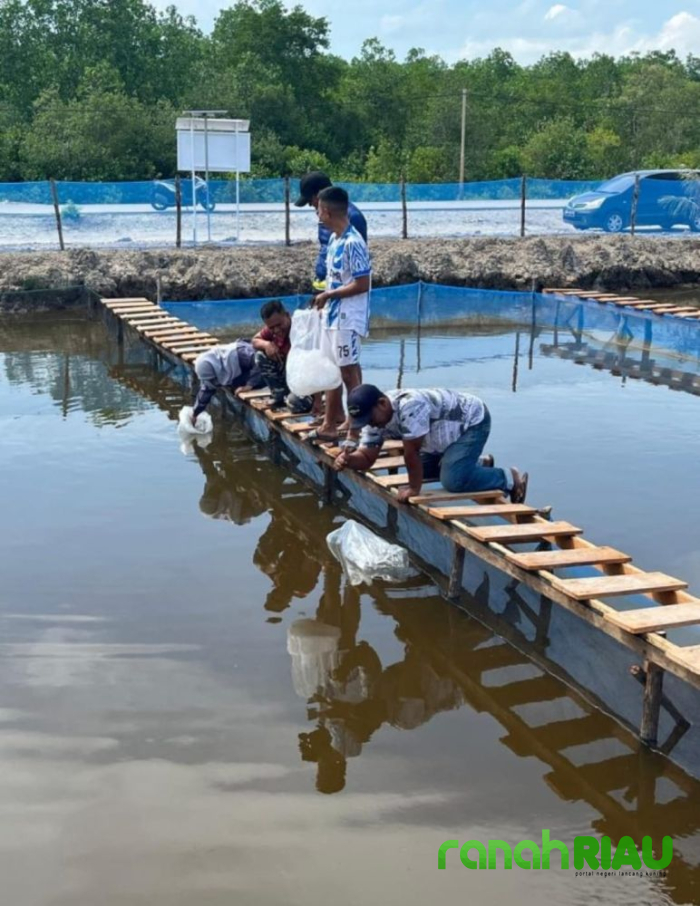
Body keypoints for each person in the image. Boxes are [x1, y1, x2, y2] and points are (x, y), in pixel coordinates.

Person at [332, 384, 529, 504]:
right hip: (439, 438)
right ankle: (476, 465)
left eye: (370, 418)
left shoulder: (409, 407)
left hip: (471, 423)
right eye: (364, 421)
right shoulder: (374, 420)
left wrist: (413, 489)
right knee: (423, 472)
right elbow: (367, 459)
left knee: (453, 481)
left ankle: (509, 479)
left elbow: (411, 453)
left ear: (382, 403)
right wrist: (348, 460)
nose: (370, 423)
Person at [308, 186, 372, 442]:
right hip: (332, 315)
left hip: (348, 317)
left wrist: (329, 295)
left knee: (348, 372)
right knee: (331, 369)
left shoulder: (353, 243)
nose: (317, 215)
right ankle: (331, 422)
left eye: (318, 210)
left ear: (326, 211)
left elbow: (362, 283)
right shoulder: (335, 240)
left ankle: (357, 430)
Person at [294, 171, 367, 290]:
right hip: (326, 284)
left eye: (310, 200)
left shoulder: (353, 218)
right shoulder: (324, 216)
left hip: (342, 291)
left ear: (319, 195)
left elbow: (359, 267)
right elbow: (325, 247)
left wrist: (334, 292)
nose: (310, 205)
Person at [251, 299, 312, 413]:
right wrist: (267, 345)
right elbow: (255, 340)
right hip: (288, 375)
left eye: (279, 325)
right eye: (272, 327)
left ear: (287, 315)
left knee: (294, 403)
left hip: (306, 382)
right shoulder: (272, 330)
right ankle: (279, 395)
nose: (277, 330)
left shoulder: (300, 330)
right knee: (260, 356)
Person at [191, 339, 263, 421]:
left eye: (213, 379)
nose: (215, 382)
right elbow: (207, 389)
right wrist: (195, 413)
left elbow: (259, 359)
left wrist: (249, 385)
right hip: (246, 372)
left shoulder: (238, 355)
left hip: (265, 366)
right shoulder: (213, 368)